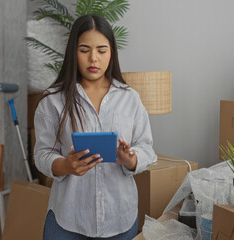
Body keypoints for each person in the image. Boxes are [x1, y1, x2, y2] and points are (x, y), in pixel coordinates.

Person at [34, 14, 155, 239]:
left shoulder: (130, 98)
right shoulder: (52, 101)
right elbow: (42, 154)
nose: (93, 59)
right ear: (73, 52)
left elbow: (147, 148)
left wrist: (131, 159)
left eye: (101, 50)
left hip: (120, 218)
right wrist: (64, 165)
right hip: (68, 221)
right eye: (84, 50)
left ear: (111, 53)